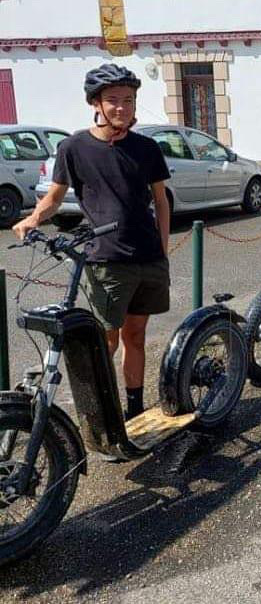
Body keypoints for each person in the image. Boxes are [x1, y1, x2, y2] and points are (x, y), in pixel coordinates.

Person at [13, 64, 171, 421]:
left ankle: (133, 408)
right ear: (96, 103)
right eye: (113, 100)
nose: (122, 107)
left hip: (148, 257)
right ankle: (101, 413)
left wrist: (162, 249)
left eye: (129, 101)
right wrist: (33, 218)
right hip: (106, 261)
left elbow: (160, 201)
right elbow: (54, 197)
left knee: (136, 336)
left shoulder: (146, 148)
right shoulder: (74, 147)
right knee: (106, 341)